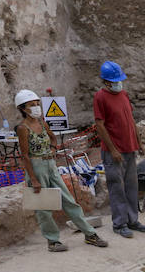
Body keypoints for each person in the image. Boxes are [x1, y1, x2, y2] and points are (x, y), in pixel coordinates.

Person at [13, 89, 107, 253]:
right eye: (31, 105)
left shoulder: (42, 123)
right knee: (43, 207)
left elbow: (53, 137)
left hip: (50, 165)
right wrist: (34, 179)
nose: (36, 107)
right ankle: (53, 241)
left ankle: (89, 233)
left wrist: (53, 149)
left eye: (37, 104)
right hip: (36, 167)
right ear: (22, 108)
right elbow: (25, 156)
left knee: (69, 201)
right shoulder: (23, 128)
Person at [92, 60, 145, 239]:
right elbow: (100, 125)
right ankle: (119, 223)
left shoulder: (123, 94)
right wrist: (113, 150)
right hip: (113, 151)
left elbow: (131, 120)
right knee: (117, 187)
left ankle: (133, 219)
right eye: (115, 81)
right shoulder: (100, 97)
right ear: (106, 82)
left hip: (129, 147)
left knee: (132, 186)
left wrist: (138, 142)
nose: (118, 83)